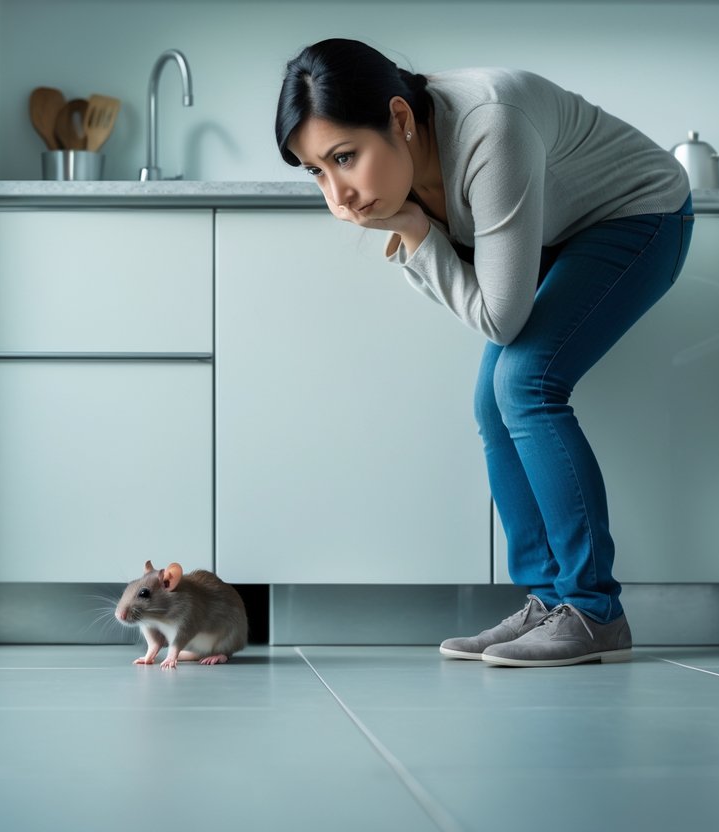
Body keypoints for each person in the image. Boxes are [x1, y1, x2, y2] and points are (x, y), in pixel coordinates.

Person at [275, 39, 694, 667]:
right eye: (317, 171)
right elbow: (479, 299)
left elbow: (498, 317)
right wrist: (414, 225)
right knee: (493, 402)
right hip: (562, 228)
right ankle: (550, 600)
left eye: (344, 157)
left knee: (525, 385)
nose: (339, 196)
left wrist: (416, 230)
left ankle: (593, 608)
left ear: (400, 118)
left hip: (638, 213)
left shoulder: (490, 126)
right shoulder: (404, 171)